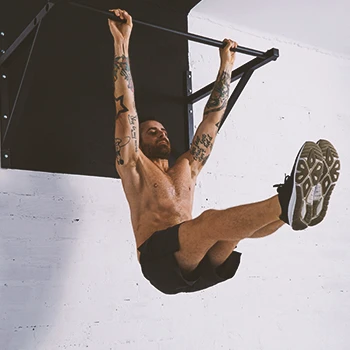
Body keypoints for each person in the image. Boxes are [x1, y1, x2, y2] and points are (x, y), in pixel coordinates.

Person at [108, 9, 341, 295]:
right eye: (152, 131)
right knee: (210, 221)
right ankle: (288, 199)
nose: (161, 133)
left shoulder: (186, 167)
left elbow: (212, 120)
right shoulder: (134, 165)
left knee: (232, 234)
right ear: (139, 138)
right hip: (159, 261)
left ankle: (290, 212)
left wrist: (227, 65)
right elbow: (126, 110)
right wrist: (122, 42)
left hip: (196, 257)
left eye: (164, 130)